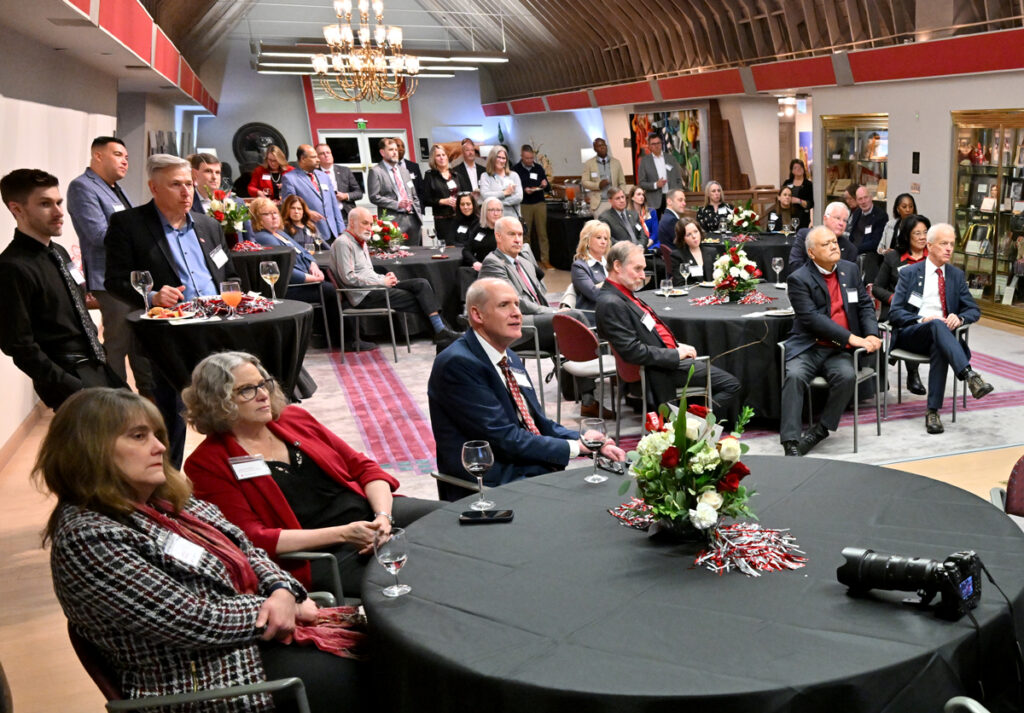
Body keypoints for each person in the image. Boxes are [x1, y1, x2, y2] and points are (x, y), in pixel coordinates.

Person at [40, 388, 363, 713]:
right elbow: (191, 620)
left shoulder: (165, 499)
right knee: (373, 674)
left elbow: (247, 550)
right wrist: (276, 608)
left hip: (252, 643)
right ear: (88, 450)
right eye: (139, 436)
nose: (160, 447)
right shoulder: (89, 537)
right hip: (205, 679)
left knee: (386, 648)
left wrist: (281, 589)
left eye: (157, 435)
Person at [183, 352, 440, 597]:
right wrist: (344, 533)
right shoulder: (208, 463)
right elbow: (253, 537)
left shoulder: (293, 418)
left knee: (457, 520)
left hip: (370, 517)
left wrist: (383, 516)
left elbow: (364, 468)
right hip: (321, 552)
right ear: (218, 401)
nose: (262, 395)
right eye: (246, 390)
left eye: (263, 384)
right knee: (427, 573)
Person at [428, 278, 626, 500]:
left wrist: (586, 439)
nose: (517, 313)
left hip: (525, 467)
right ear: (477, 314)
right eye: (504, 305)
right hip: (489, 484)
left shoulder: (509, 357)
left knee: (613, 487)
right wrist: (577, 447)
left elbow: (536, 423)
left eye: (516, 304)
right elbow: (505, 438)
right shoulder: (458, 364)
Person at [104, 154, 239, 467]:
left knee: (228, 407)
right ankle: (167, 484)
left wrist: (232, 297)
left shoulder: (209, 224)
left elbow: (228, 272)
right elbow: (113, 280)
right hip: (168, 336)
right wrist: (150, 295)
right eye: (176, 185)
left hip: (216, 328)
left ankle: (230, 474)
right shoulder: (129, 225)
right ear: (153, 188)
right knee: (171, 416)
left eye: (189, 184)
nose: (186, 191)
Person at [0, 168, 126, 409]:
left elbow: (73, 304)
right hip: (69, 377)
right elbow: (18, 345)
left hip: (96, 365)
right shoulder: (11, 267)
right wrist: (69, 385)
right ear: (17, 209)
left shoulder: (59, 252)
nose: (59, 212)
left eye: (58, 202)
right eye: (45, 204)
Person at [595, 242, 741, 418]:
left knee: (715, 362)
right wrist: (676, 354)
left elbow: (648, 330)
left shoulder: (621, 293)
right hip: (658, 371)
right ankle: (690, 426)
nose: (642, 276)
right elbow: (632, 351)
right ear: (617, 266)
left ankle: (690, 420)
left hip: (664, 359)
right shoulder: (611, 302)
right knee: (731, 385)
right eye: (637, 269)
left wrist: (676, 345)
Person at [780, 226, 882, 456]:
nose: (834, 246)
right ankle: (791, 441)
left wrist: (872, 333)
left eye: (834, 242)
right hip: (809, 346)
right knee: (794, 377)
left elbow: (865, 305)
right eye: (826, 244)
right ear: (812, 253)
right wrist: (852, 338)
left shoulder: (850, 270)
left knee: (847, 376)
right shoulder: (798, 279)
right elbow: (812, 319)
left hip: (838, 351)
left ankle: (822, 429)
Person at [66, 136, 153, 396]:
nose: (125, 160)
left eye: (126, 156)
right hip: (109, 278)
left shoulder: (116, 188)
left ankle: (148, 395)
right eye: (118, 154)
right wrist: (139, 239)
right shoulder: (83, 187)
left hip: (133, 278)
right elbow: (98, 235)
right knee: (118, 342)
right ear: (98, 156)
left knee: (140, 338)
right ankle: (115, 399)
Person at [889, 223, 994, 435]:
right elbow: (895, 313)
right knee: (936, 323)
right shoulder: (909, 273)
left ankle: (933, 411)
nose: (949, 249)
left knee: (940, 342)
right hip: (914, 332)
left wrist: (960, 317)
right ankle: (968, 374)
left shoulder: (955, 275)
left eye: (952, 244)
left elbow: (973, 310)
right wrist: (922, 319)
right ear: (929, 245)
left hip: (942, 336)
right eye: (944, 243)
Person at [330, 207, 459, 345]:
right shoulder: (344, 243)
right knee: (419, 299)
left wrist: (384, 276)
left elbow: (366, 271)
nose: (369, 228)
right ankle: (442, 332)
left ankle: (441, 333)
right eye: (364, 223)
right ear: (351, 221)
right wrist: (381, 281)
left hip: (375, 287)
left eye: (370, 224)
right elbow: (349, 277)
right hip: (363, 295)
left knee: (421, 284)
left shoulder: (361, 241)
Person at [249, 197, 340, 343]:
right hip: (290, 287)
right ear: (257, 218)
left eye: (274, 212)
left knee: (334, 279)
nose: (273, 216)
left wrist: (313, 265)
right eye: (266, 214)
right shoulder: (264, 238)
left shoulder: (279, 233)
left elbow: (303, 251)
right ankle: (339, 338)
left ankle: (330, 333)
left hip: (305, 278)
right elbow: (285, 270)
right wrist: (312, 278)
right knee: (329, 290)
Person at [873, 214, 930, 396]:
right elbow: (876, 288)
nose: (923, 237)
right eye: (917, 233)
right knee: (909, 319)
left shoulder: (933, 258)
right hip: (896, 309)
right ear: (906, 235)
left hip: (926, 308)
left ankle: (896, 355)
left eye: (925, 233)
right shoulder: (893, 258)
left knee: (917, 320)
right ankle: (912, 373)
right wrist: (894, 299)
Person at [281, 144, 346, 244]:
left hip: (334, 232)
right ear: (303, 159)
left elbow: (334, 205)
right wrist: (308, 212)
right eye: (314, 157)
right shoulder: (290, 178)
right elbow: (289, 204)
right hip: (312, 232)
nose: (318, 159)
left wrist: (341, 230)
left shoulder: (324, 176)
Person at [367, 137, 422, 244]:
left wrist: (417, 212)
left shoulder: (404, 171)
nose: (395, 152)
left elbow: (413, 194)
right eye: (391, 150)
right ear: (382, 152)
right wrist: (397, 204)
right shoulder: (376, 171)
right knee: (397, 256)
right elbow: (374, 196)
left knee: (416, 254)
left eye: (396, 150)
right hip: (393, 220)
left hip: (413, 219)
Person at [788, 202, 857, 273]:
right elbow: (795, 265)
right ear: (825, 218)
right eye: (837, 218)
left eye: (845, 220)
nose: (841, 223)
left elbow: (849, 278)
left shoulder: (850, 249)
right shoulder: (805, 236)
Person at [512, 144, 551, 268]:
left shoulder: (538, 168)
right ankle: (527, 261)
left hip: (539, 202)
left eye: (531, 158)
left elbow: (547, 187)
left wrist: (545, 184)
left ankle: (545, 260)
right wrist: (525, 190)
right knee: (525, 233)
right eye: (527, 158)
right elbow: (514, 189)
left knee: (542, 233)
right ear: (522, 156)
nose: (529, 161)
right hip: (524, 204)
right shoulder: (516, 169)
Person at [570, 219, 612, 318]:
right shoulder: (579, 266)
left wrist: (601, 285)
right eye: (599, 238)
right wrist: (612, 282)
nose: (603, 242)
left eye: (606, 239)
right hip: (594, 318)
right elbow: (594, 294)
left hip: (613, 313)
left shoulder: (610, 263)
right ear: (587, 241)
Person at [422, 143, 460, 246]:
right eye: (438, 156)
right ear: (433, 159)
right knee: (450, 247)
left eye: (444, 155)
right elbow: (426, 199)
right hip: (443, 221)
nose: (442, 158)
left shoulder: (456, 175)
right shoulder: (430, 176)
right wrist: (442, 201)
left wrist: (460, 202)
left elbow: (464, 194)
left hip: (459, 218)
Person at [636, 133, 683, 213]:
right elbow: (642, 183)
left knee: (672, 224)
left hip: (671, 198)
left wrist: (677, 192)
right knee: (655, 225)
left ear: (661, 144)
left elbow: (678, 179)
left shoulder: (671, 158)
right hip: (653, 201)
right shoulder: (644, 161)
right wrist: (655, 185)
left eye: (658, 143)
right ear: (649, 146)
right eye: (653, 144)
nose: (656, 146)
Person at [315, 142, 362, 220]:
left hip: (346, 213)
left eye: (328, 152)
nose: (326, 155)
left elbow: (358, 193)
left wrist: (346, 196)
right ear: (317, 157)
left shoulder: (344, 171)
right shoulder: (314, 174)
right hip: (325, 216)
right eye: (322, 153)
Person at [582, 138, 626, 213]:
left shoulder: (616, 162)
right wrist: (598, 185)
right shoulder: (589, 164)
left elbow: (622, 183)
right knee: (600, 224)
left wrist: (621, 197)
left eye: (604, 145)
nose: (602, 147)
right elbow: (584, 182)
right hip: (599, 204)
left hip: (614, 202)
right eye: (599, 146)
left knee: (616, 224)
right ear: (595, 149)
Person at [478, 146, 523, 219]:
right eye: (498, 157)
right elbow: (485, 196)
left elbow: (518, 197)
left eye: (503, 158)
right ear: (492, 158)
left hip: (512, 218)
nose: (501, 160)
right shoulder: (485, 176)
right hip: (493, 220)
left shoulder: (514, 175)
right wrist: (505, 193)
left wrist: (496, 204)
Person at [670, 218, 715, 285]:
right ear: (682, 239)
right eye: (688, 234)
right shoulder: (678, 256)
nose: (694, 236)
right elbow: (679, 284)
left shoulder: (712, 252)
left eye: (696, 231)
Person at [462, 196, 502, 269]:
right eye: (492, 210)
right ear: (484, 211)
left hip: (497, 269)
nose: (496, 213)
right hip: (479, 269)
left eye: (498, 210)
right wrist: (474, 262)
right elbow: (466, 250)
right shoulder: (479, 228)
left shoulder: (504, 230)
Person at [393, 136, 425, 209]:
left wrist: (421, 208)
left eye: (403, 146)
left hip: (414, 208)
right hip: (397, 208)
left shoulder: (414, 166)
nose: (401, 149)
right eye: (398, 146)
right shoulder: (388, 167)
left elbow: (421, 188)